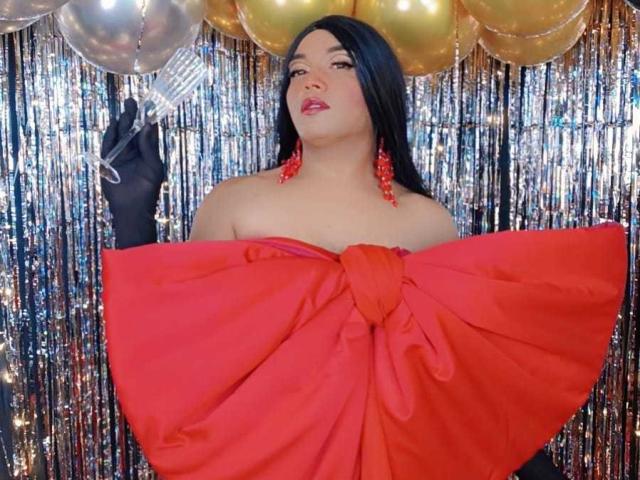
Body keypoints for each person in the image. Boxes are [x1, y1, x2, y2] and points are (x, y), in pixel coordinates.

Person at [100, 15, 626, 480]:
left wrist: (536, 467)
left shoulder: (427, 221)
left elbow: (459, 382)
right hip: (264, 463)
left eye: (340, 64)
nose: (310, 80)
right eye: (297, 71)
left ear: (380, 86)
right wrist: (132, 218)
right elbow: (180, 351)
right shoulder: (237, 203)